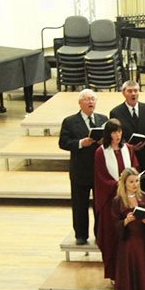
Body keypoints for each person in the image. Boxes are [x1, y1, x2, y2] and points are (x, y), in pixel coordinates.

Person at [58, 89, 108, 245]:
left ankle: (100, 233)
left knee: (100, 204)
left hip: (99, 170)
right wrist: (80, 143)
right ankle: (81, 235)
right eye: (87, 99)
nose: (90, 102)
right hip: (80, 169)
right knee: (80, 204)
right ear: (80, 103)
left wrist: (104, 141)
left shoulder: (103, 119)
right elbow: (63, 143)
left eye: (93, 99)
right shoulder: (70, 121)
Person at [94, 118, 139, 281]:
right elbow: (101, 177)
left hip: (127, 199)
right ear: (108, 134)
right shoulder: (101, 152)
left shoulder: (128, 149)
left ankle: (130, 271)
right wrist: (119, 184)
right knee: (112, 236)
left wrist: (130, 183)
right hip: (111, 200)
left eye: (119, 131)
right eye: (114, 132)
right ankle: (114, 273)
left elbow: (134, 168)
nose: (117, 135)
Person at [109, 80, 145, 196]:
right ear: (123, 93)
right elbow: (115, 135)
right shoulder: (116, 112)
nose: (133, 94)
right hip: (128, 158)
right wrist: (129, 147)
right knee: (130, 194)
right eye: (130, 91)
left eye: (135, 91)